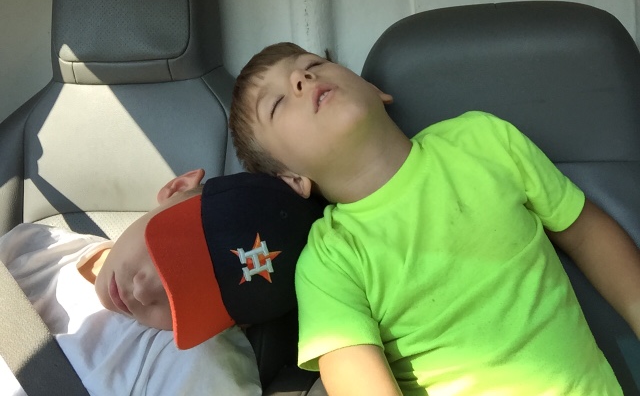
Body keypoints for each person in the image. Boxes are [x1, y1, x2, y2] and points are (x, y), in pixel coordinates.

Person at [228, 42, 640, 395]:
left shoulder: (484, 139)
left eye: (313, 64)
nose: (302, 79)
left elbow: (587, 234)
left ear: (375, 91)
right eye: (277, 103)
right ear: (292, 179)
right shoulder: (329, 260)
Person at [0, 169, 325, 396]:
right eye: (164, 252)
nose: (143, 291)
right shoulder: (35, 246)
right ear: (176, 187)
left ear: (233, 325)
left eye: (184, 298)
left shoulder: (198, 367)